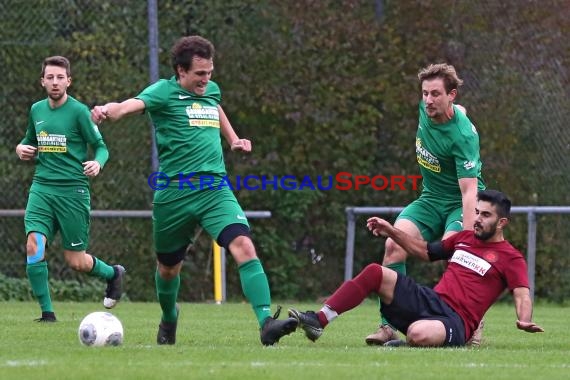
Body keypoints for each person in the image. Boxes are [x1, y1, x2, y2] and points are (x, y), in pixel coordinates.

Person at [90, 35, 298, 346]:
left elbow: (216, 107)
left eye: (210, 72)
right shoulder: (163, 91)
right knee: (168, 269)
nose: (207, 79)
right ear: (181, 71)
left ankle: (266, 322)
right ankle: (169, 318)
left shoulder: (210, 91)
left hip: (214, 188)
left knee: (244, 245)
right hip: (174, 194)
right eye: (200, 74)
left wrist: (233, 139)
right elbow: (131, 105)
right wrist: (109, 109)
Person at [289, 190, 544, 347]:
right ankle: (319, 320)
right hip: (431, 300)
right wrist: (391, 230)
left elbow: (522, 294)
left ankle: (407, 342)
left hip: (457, 320)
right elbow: (423, 251)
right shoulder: (463, 238)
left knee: (418, 333)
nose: (477, 219)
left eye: (485, 215)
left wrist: (524, 319)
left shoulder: (511, 257)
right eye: (477, 212)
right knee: (375, 272)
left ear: (502, 223)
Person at [365, 63, 486, 346]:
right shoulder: (426, 109)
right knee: (393, 244)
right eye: (425, 94)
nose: (428, 100)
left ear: (451, 95)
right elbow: (460, 111)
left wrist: (468, 238)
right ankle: (387, 325)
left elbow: (469, 192)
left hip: (460, 202)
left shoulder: (464, 136)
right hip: (430, 200)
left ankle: (471, 323)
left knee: (454, 255)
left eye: (435, 94)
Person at [16, 56, 125, 322]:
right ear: (42, 81)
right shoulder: (36, 110)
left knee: (76, 260)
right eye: (50, 77)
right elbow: (28, 141)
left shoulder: (78, 112)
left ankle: (113, 274)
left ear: (68, 81)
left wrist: (98, 164)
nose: (55, 82)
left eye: (60, 77)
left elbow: (101, 147)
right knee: (34, 245)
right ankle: (47, 313)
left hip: (72, 192)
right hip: (42, 188)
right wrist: (21, 148)